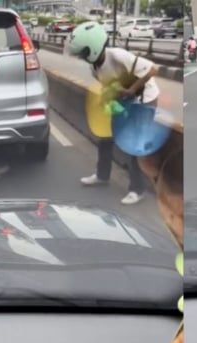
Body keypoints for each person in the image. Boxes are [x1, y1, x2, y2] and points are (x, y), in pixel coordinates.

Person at [68, 21, 160, 205]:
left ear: (92, 48)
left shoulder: (118, 56)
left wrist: (133, 89)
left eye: (83, 53)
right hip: (122, 100)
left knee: (134, 145)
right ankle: (102, 176)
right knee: (106, 137)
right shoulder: (94, 67)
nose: (81, 57)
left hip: (144, 98)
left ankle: (137, 189)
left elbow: (152, 69)